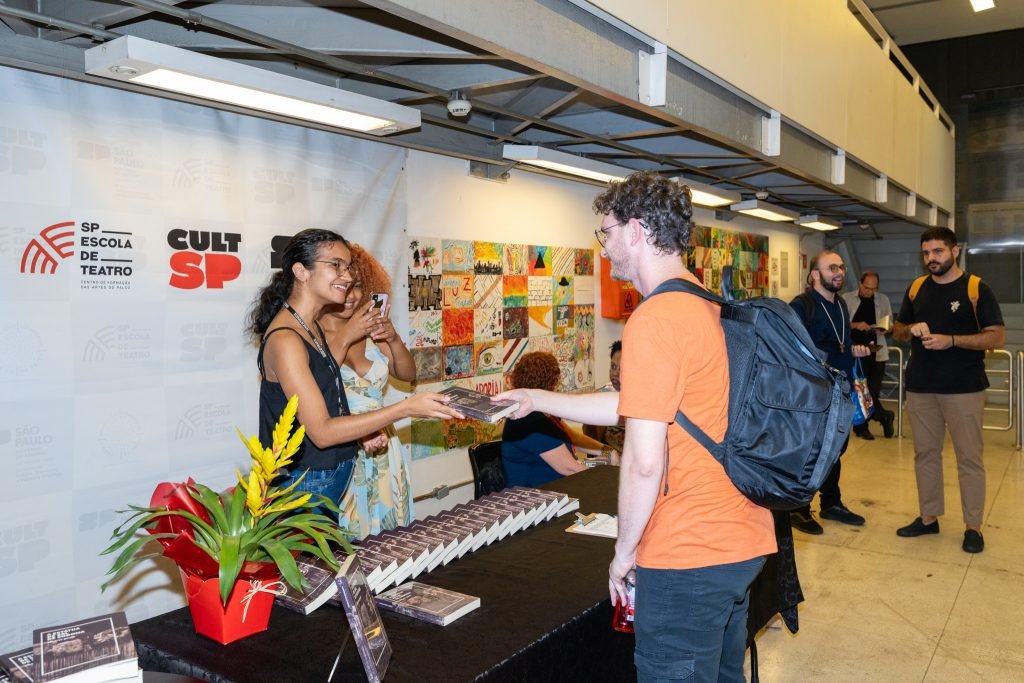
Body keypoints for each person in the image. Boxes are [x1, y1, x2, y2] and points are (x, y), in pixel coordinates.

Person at [495, 172, 776, 682]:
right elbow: (645, 402)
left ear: (637, 230)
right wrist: (538, 399)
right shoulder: (704, 302)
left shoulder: (656, 317)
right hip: (741, 537)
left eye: (606, 232)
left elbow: (645, 461)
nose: (603, 248)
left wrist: (623, 553)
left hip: (688, 553)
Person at [247, 229, 461, 509]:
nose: (346, 277)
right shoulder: (286, 339)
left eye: (347, 267)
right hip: (304, 483)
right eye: (335, 265)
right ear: (301, 272)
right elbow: (322, 432)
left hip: (327, 478)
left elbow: (325, 399)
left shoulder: (307, 327)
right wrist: (405, 408)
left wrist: (363, 431)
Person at [893, 227, 1005, 554]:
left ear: (955, 251)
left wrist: (951, 340)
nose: (931, 258)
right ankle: (929, 518)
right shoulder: (916, 289)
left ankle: (973, 527)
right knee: (925, 455)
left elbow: (996, 336)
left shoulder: (976, 288)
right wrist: (910, 329)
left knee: (969, 458)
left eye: (938, 251)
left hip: (964, 388)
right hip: (921, 387)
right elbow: (897, 331)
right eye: (926, 253)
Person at [319, 244, 417, 538]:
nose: (352, 295)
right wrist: (347, 335)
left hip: (385, 448)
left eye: (358, 285)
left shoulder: (372, 328)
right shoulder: (311, 333)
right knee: (349, 539)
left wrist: (393, 339)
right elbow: (320, 382)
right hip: (342, 449)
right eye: (345, 286)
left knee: (393, 540)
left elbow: (408, 375)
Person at [788, 251, 871, 536]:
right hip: (814, 393)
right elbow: (793, 347)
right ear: (815, 274)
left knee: (836, 450)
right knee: (813, 452)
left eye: (841, 267)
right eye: (832, 267)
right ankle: (797, 508)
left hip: (842, 389)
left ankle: (831, 503)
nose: (840, 272)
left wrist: (853, 350)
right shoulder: (802, 305)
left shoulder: (841, 304)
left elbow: (840, 343)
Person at [501, 351, 615, 487]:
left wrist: (607, 451)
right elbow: (570, 468)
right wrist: (610, 478)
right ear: (551, 384)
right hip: (538, 495)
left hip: (558, 486)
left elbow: (573, 438)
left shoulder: (545, 414)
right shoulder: (529, 421)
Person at [842, 271, 896, 440]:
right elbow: (840, 323)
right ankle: (872, 422)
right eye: (867, 288)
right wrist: (856, 325)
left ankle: (880, 417)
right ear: (860, 283)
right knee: (859, 390)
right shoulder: (847, 299)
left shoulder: (883, 300)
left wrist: (884, 328)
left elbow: (890, 323)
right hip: (855, 351)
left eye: (874, 289)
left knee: (872, 391)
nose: (870, 292)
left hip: (876, 351)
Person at [583, 341, 625, 452]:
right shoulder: (601, 396)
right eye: (613, 366)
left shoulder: (643, 398)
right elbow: (592, 445)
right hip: (609, 458)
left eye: (621, 369)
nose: (615, 373)